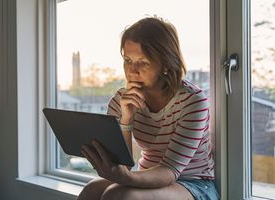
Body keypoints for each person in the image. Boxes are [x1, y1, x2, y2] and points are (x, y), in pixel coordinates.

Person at [78, 16, 219, 200]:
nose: (132, 71)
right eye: (128, 60)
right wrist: (126, 120)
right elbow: (123, 166)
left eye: (142, 62)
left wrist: (126, 177)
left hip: (192, 184)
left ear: (166, 65)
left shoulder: (193, 101)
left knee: (117, 195)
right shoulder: (121, 100)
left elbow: (169, 171)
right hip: (147, 175)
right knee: (91, 190)